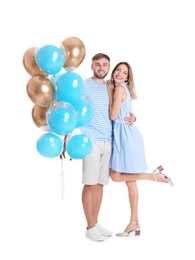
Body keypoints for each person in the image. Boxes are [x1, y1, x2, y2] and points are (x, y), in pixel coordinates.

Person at [106, 61, 173, 237]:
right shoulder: (123, 89)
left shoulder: (119, 89)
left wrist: (109, 91)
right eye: (118, 70)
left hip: (125, 137)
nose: (120, 74)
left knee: (115, 176)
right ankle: (134, 223)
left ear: (128, 78)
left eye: (124, 73)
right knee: (130, 182)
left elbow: (113, 116)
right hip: (127, 134)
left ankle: (155, 177)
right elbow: (123, 113)